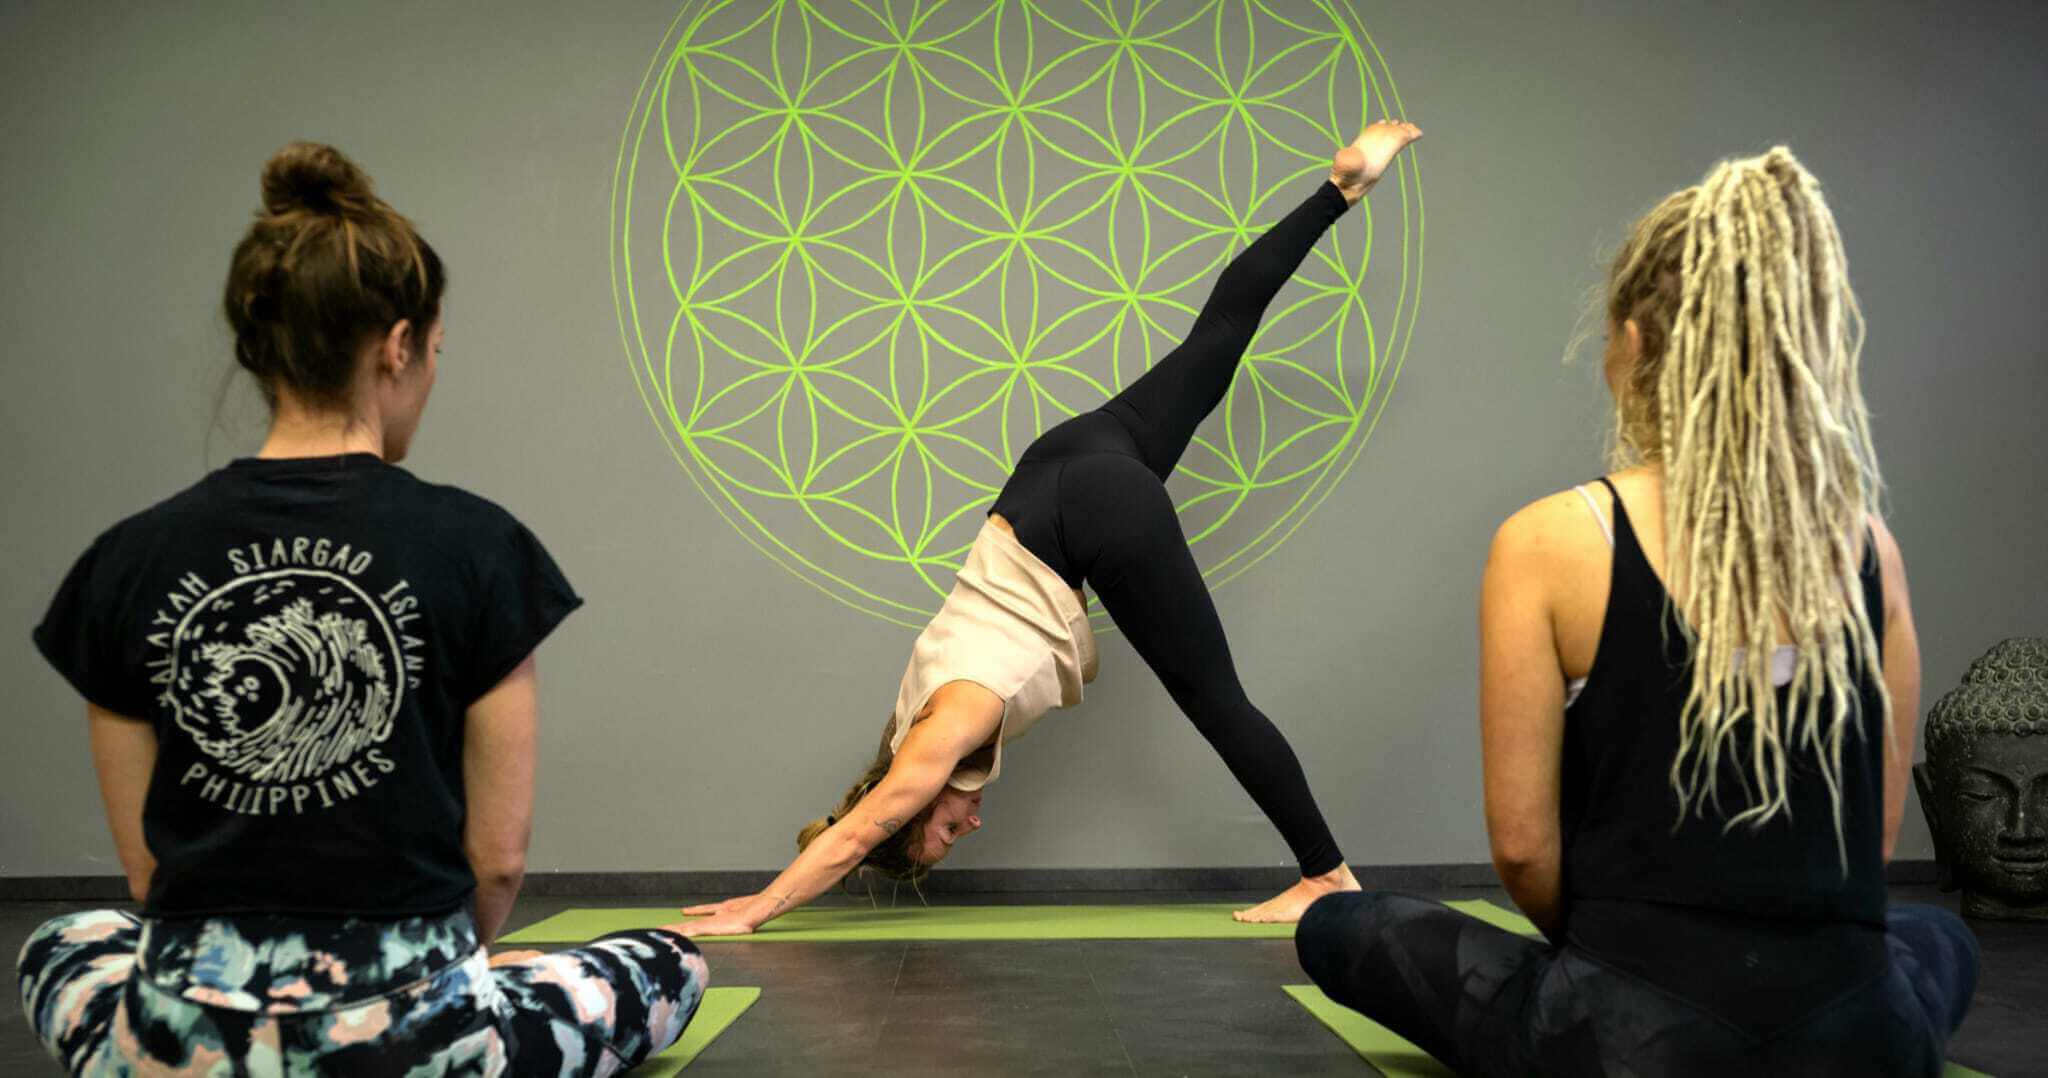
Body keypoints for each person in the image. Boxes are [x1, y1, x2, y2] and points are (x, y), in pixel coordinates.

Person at [17, 142, 708, 1075]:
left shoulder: (126, 559)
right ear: (397, 345)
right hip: (422, 1044)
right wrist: (433, 980)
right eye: (434, 352)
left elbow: (150, 874)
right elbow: (497, 861)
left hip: (185, 1045)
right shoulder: (478, 545)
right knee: (668, 961)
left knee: (63, 940)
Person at [1296, 147, 1980, 1075]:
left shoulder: (1552, 540)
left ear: (1632, 340)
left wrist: (1615, 965)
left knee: (1340, 923)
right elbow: (1874, 844)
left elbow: (1525, 851)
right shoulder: (1868, 547)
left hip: (1623, 1040)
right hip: (1860, 1038)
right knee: (1940, 935)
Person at [676, 120, 1424, 937]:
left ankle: (1326, 876)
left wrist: (759, 908)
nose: (968, 826)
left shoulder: (943, 731)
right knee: (1217, 336)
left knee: (1217, 701)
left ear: (910, 808)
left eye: (942, 835)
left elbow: (862, 829)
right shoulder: (909, 721)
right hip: (1057, 467)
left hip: (1085, 513)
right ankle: (1341, 189)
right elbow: (857, 818)